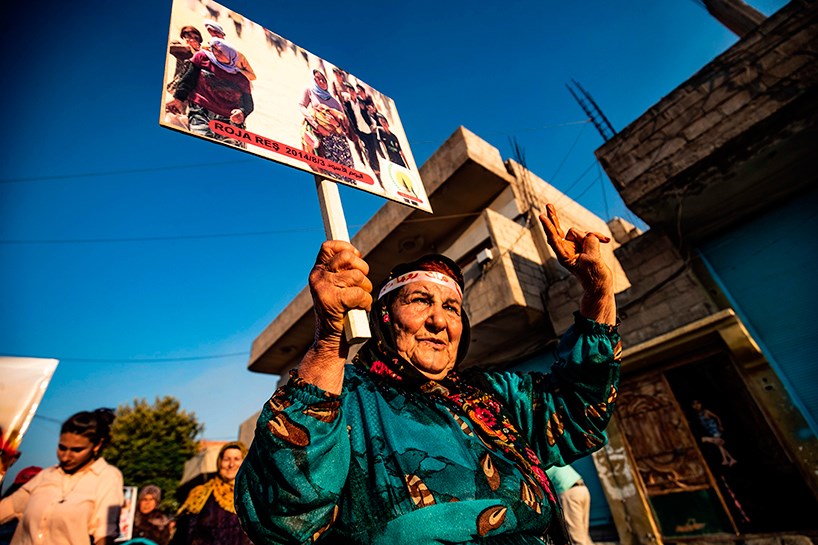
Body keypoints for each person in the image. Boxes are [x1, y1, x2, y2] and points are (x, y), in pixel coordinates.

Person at [236, 203, 621, 544]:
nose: (439, 320)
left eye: (451, 307)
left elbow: (579, 411)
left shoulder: (492, 396)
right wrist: (328, 341)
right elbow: (280, 515)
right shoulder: (346, 395)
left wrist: (598, 295)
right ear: (386, 318)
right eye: (420, 300)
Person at [0, 409, 124, 545]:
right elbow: (8, 508)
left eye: (76, 450)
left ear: (97, 445)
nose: (65, 457)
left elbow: (104, 534)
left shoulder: (107, 477)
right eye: (62, 448)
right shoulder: (46, 475)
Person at [165, 38, 253, 148]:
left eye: (221, 51)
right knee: (201, 142)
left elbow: (248, 103)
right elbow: (188, 79)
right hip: (200, 111)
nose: (216, 53)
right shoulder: (202, 58)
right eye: (214, 48)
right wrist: (178, 98)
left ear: (231, 57)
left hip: (227, 120)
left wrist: (242, 112)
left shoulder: (242, 79)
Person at [171, 442, 251, 545]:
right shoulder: (201, 494)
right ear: (219, 462)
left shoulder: (254, 495)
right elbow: (184, 532)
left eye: (236, 459)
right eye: (226, 459)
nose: (231, 465)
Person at [298, 69, 355, 181]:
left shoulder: (334, 101)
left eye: (323, 79)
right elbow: (301, 106)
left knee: (348, 175)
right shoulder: (309, 90)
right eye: (317, 79)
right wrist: (317, 126)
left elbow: (344, 125)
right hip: (322, 137)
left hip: (338, 140)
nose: (321, 81)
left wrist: (336, 124)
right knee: (327, 173)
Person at [546, 464, 593, 545]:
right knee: (583, 534)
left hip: (569, 494)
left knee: (577, 537)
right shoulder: (554, 460)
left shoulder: (539, 463)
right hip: (582, 489)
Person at [691, 399, 737, 466]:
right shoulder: (698, 415)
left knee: (719, 444)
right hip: (710, 431)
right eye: (694, 405)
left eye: (698, 404)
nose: (696, 406)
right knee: (720, 445)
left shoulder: (706, 411)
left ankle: (725, 459)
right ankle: (731, 459)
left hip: (714, 429)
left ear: (701, 404)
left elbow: (716, 417)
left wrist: (720, 425)